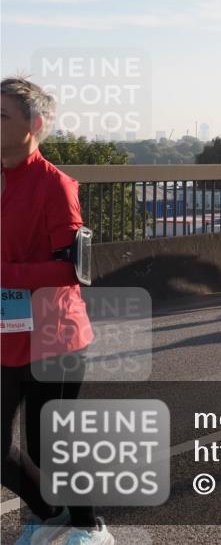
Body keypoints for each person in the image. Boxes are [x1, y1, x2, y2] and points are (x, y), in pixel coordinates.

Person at [1, 77, 113, 545]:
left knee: (53, 445)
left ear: (35, 124)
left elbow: (70, 270)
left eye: (2, 115)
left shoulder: (56, 185)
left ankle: (90, 528)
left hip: (54, 335)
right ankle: (49, 514)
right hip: (6, 334)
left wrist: (5, 273)